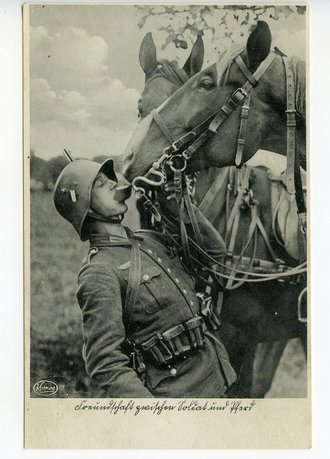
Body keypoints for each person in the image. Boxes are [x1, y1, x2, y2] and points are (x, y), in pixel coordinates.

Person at [54, 158, 236, 398]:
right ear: (85, 207)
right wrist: (150, 415)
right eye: (100, 183)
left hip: (218, 381)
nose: (112, 183)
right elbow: (104, 361)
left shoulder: (149, 240)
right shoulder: (98, 272)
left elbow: (214, 253)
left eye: (110, 178)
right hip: (178, 401)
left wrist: (176, 204)